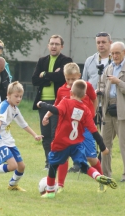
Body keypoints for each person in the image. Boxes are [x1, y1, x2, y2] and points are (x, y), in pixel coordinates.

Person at [37, 79, 117, 199]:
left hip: (61, 143)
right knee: (84, 166)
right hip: (76, 144)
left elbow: (55, 110)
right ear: (84, 95)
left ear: (71, 93)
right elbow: (94, 131)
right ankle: (97, 176)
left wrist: (42, 104)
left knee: (53, 165)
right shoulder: (85, 110)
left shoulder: (65, 102)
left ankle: (50, 192)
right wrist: (103, 147)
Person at [42, 63, 106, 193]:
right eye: (68, 79)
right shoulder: (61, 90)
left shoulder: (85, 86)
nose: (71, 82)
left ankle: (101, 181)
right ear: (64, 77)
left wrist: (91, 115)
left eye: (73, 79)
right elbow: (56, 105)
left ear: (79, 76)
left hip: (85, 127)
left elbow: (94, 99)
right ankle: (60, 185)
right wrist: (47, 116)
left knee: (91, 157)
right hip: (68, 129)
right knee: (63, 156)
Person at [0, 81, 43, 191]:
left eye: (20, 96)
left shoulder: (14, 109)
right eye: (16, 96)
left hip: (7, 139)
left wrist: (35, 135)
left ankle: (13, 185)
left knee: (21, 166)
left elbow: (23, 124)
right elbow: (0, 119)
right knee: (12, 166)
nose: (19, 99)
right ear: (8, 95)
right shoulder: (4, 106)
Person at [100, 41, 125, 182]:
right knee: (104, 143)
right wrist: (98, 91)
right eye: (113, 53)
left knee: (124, 144)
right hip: (107, 109)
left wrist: (119, 83)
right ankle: (105, 174)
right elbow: (102, 84)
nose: (115, 56)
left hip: (123, 109)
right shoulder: (108, 68)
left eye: (117, 53)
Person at [32, 34, 72, 170]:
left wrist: (44, 74)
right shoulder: (42, 60)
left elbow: (61, 78)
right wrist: (51, 76)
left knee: (56, 133)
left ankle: (57, 162)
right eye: (52, 44)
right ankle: (48, 162)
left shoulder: (66, 60)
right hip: (42, 102)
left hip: (58, 103)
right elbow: (34, 80)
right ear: (48, 46)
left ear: (62, 46)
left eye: (57, 44)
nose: (54, 46)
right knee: (46, 134)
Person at [82, 32, 113, 129]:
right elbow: (84, 82)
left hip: (108, 104)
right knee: (89, 134)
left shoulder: (115, 60)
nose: (101, 45)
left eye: (104, 42)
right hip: (91, 103)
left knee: (105, 137)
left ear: (110, 43)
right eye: (98, 42)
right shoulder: (89, 60)